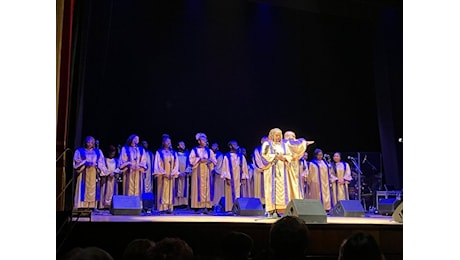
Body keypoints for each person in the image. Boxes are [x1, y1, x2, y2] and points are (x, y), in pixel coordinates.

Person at [261, 128, 292, 216]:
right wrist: (275, 156)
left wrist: (284, 158)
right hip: (272, 170)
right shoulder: (267, 144)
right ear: (272, 135)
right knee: (272, 189)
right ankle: (272, 210)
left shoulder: (284, 145)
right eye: (276, 135)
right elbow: (264, 155)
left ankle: (281, 209)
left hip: (282, 170)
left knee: (283, 189)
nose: (278, 137)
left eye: (280, 135)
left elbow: (289, 155)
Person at [73, 136, 107, 210]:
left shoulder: (98, 151)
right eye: (88, 142)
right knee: (82, 188)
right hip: (83, 173)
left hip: (93, 172)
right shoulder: (79, 151)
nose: (89, 144)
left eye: (91, 142)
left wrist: (97, 165)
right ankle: (81, 205)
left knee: (94, 189)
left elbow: (101, 162)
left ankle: (92, 206)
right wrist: (84, 162)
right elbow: (76, 161)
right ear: (85, 142)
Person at [188, 133, 217, 212]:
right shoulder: (194, 150)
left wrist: (209, 160)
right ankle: (197, 206)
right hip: (197, 170)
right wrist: (199, 160)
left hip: (207, 171)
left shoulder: (209, 150)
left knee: (206, 187)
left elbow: (214, 160)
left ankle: (206, 205)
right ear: (199, 141)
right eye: (203, 140)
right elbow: (191, 160)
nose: (205, 141)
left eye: (205, 140)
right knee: (198, 187)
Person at [220, 140, 249, 212]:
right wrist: (227, 178)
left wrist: (244, 177)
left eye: (236, 144)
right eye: (234, 144)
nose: (236, 146)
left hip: (239, 178)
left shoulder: (241, 157)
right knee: (230, 193)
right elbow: (225, 168)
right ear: (230, 146)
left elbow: (244, 167)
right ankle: (230, 208)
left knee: (239, 192)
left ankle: (239, 208)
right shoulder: (227, 157)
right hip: (231, 178)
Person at [153, 134, 180, 212]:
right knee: (162, 190)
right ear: (163, 142)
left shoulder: (173, 153)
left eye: (169, 141)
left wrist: (173, 172)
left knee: (170, 191)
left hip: (171, 175)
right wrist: (164, 173)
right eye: (167, 141)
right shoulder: (159, 152)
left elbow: (176, 163)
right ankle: (162, 208)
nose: (168, 143)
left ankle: (169, 207)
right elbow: (157, 163)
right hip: (163, 175)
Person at [119, 134, 148, 199]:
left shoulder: (140, 150)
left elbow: (144, 160)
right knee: (128, 187)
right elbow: (122, 160)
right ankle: (128, 205)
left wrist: (140, 166)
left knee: (138, 188)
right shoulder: (125, 148)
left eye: (138, 139)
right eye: (135, 139)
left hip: (138, 171)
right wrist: (128, 164)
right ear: (131, 139)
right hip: (128, 171)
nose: (136, 140)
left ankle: (138, 205)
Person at [283, 131, 308, 201]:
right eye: (290, 136)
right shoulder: (283, 144)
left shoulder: (295, 145)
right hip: (285, 165)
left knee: (295, 182)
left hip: (294, 165)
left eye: (293, 136)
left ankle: (296, 199)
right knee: (287, 183)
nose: (292, 138)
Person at [99, 145, 121, 209]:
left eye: (113, 152)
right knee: (104, 192)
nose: (112, 153)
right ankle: (103, 205)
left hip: (113, 179)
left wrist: (114, 173)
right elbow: (102, 167)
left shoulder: (116, 160)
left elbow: (119, 167)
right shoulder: (104, 160)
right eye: (111, 152)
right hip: (106, 178)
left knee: (113, 192)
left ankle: (112, 206)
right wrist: (108, 173)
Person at [252, 136, 270, 206]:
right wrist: (264, 168)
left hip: (268, 172)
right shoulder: (257, 150)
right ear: (261, 142)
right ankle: (259, 204)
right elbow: (257, 160)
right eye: (264, 141)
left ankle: (267, 204)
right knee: (259, 188)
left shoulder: (270, 150)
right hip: (259, 172)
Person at [174, 141, 192, 208]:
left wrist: (185, 172)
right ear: (178, 146)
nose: (183, 145)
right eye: (181, 144)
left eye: (183, 144)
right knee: (176, 188)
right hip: (177, 174)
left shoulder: (187, 155)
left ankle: (184, 204)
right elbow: (174, 164)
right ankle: (176, 204)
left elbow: (189, 165)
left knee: (184, 189)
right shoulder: (175, 154)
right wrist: (178, 173)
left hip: (185, 175)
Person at [211, 142, 225, 208]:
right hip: (211, 175)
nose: (213, 148)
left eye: (215, 146)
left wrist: (214, 170)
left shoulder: (220, 155)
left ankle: (217, 204)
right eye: (213, 146)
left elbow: (219, 165)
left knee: (218, 190)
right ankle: (211, 204)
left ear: (217, 147)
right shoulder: (210, 154)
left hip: (218, 175)